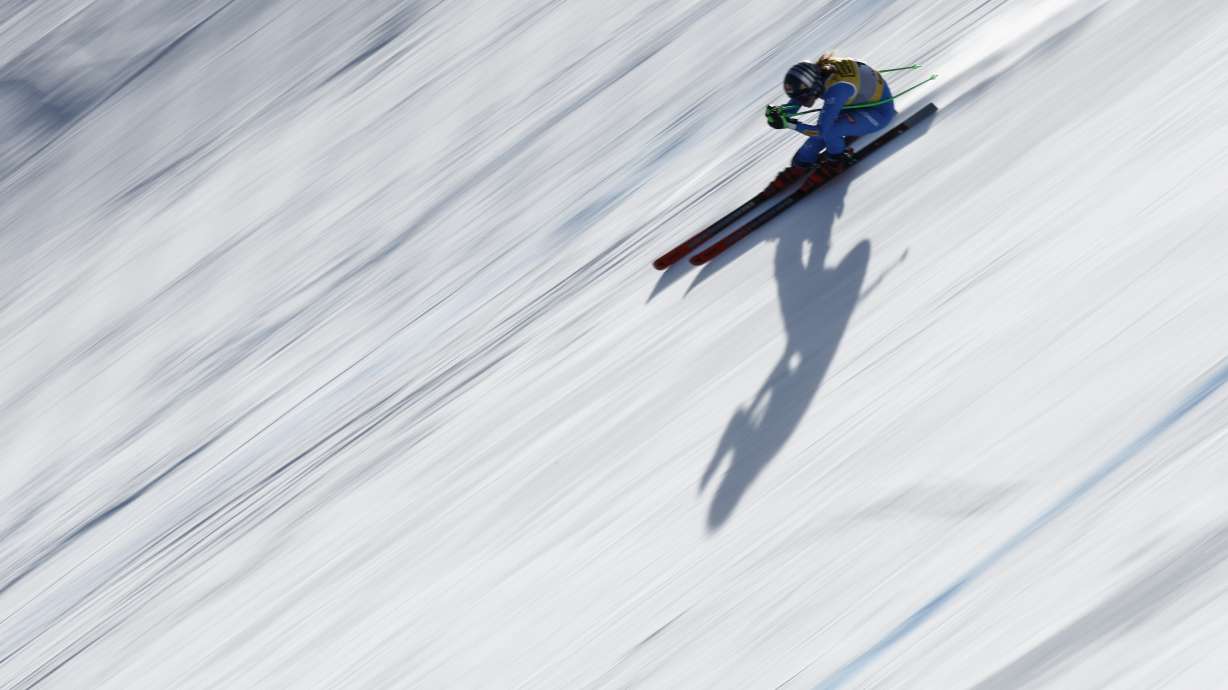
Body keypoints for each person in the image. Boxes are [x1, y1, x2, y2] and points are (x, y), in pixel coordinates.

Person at [764, 53, 896, 186]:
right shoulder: (817, 75)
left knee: (830, 131)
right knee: (805, 154)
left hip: (877, 113)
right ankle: (802, 164)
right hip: (854, 103)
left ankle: (837, 161)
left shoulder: (838, 89)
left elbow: (822, 131)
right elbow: (796, 101)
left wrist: (789, 124)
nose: (804, 102)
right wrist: (780, 112)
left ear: (813, 86)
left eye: (805, 97)